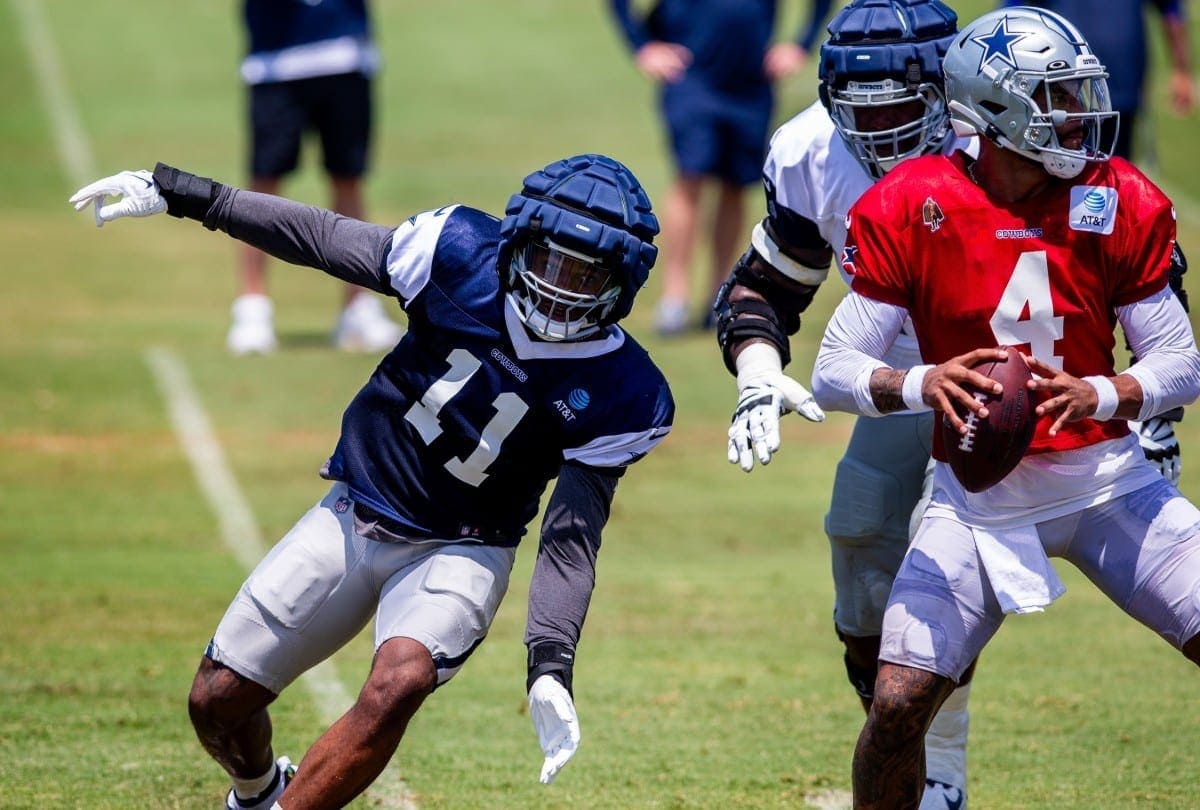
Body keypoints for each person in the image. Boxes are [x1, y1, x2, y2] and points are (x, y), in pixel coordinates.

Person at [69, 153, 674, 807]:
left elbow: (570, 538)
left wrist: (550, 660)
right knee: (216, 701)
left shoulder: (625, 390)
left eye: (586, 274)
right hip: (357, 509)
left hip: (465, 544)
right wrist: (187, 194)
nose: (560, 288)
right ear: (516, 239)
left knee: (400, 682)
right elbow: (324, 237)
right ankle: (257, 791)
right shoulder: (459, 252)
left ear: (623, 282)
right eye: (549, 261)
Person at [807, 7, 1200, 807]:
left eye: (1076, 92)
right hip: (976, 502)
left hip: (1108, 483)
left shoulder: (1116, 194)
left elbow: (1181, 362)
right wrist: (926, 383)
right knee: (895, 706)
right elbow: (832, 370)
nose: (1077, 113)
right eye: (1055, 96)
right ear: (992, 110)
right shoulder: (909, 201)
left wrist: (1107, 390)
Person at [714, 1, 976, 806]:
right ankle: (917, 765)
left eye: (899, 108)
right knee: (861, 538)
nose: (881, 132)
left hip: (1015, 385)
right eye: (860, 111)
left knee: (944, 568)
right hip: (896, 385)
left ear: (945, 92)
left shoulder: (997, 134)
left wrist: (1137, 400)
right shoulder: (809, 152)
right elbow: (766, 288)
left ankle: (943, 776)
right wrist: (757, 370)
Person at [609, 0, 834, 336]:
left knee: (735, 185)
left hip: (752, 84)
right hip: (692, 77)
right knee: (691, 178)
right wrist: (643, 45)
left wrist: (799, 46)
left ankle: (720, 293)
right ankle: (675, 299)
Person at [230, 0, 404, 355]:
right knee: (264, 184)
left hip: (345, 53)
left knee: (349, 180)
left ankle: (357, 306)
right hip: (275, 60)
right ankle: (252, 309)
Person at [1002, 0, 1196, 162]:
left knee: (1113, 173)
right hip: (1058, 87)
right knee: (1054, 168)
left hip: (1121, 83)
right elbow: (1009, 17)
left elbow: (1170, 9)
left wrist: (1182, 71)